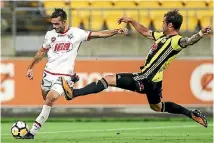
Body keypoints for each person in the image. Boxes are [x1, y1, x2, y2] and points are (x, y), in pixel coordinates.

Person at [62, 9, 211, 128]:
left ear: (171, 25)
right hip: (154, 81)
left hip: (147, 78)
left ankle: (73, 93)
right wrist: (132, 20)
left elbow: (188, 41)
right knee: (157, 107)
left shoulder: (176, 41)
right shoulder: (162, 37)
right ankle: (191, 113)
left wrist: (199, 33)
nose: (162, 24)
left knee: (108, 79)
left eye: (164, 22)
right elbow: (145, 32)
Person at [23, 8, 128, 139]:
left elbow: (99, 34)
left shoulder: (76, 33)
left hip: (63, 76)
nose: (54, 26)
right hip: (48, 73)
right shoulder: (50, 35)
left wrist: (116, 31)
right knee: (45, 97)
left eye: (56, 24)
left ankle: (32, 132)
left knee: (51, 98)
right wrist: (30, 67)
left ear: (64, 22)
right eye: (53, 24)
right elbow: (41, 52)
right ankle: (72, 81)